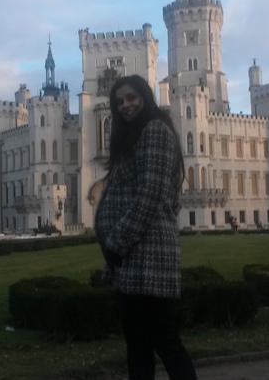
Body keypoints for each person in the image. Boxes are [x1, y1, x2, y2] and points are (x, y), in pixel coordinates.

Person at [95, 74, 197, 380]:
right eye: (119, 102)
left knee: (163, 341)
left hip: (147, 255)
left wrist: (117, 242)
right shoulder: (136, 137)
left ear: (145, 97)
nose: (125, 105)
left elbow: (150, 195)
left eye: (131, 97)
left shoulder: (154, 130)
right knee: (140, 345)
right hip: (136, 256)